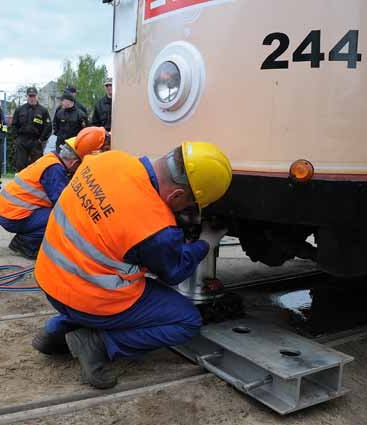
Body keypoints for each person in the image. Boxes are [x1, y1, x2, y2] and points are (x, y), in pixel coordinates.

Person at [32, 141, 232, 389]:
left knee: (110, 282)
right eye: (189, 205)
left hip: (49, 276)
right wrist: (205, 243)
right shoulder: (156, 228)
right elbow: (174, 272)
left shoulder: (108, 160)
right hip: (86, 296)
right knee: (187, 321)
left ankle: (55, 330)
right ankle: (98, 343)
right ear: (177, 195)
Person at [0, 127, 110, 259]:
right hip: (11, 216)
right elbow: (63, 204)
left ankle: (26, 238)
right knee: (59, 217)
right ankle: (24, 244)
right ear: (74, 162)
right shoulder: (54, 170)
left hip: (6, 210)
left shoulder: (52, 158)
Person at [12, 86, 52, 171]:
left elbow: (48, 127)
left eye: (33, 96)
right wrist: (17, 138)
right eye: (30, 96)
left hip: (36, 141)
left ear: (37, 96)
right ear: (27, 97)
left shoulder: (43, 111)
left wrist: (41, 140)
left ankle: (35, 184)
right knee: (20, 165)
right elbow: (14, 125)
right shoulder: (20, 109)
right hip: (22, 141)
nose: (32, 98)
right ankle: (20, 184)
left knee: (36, 166)